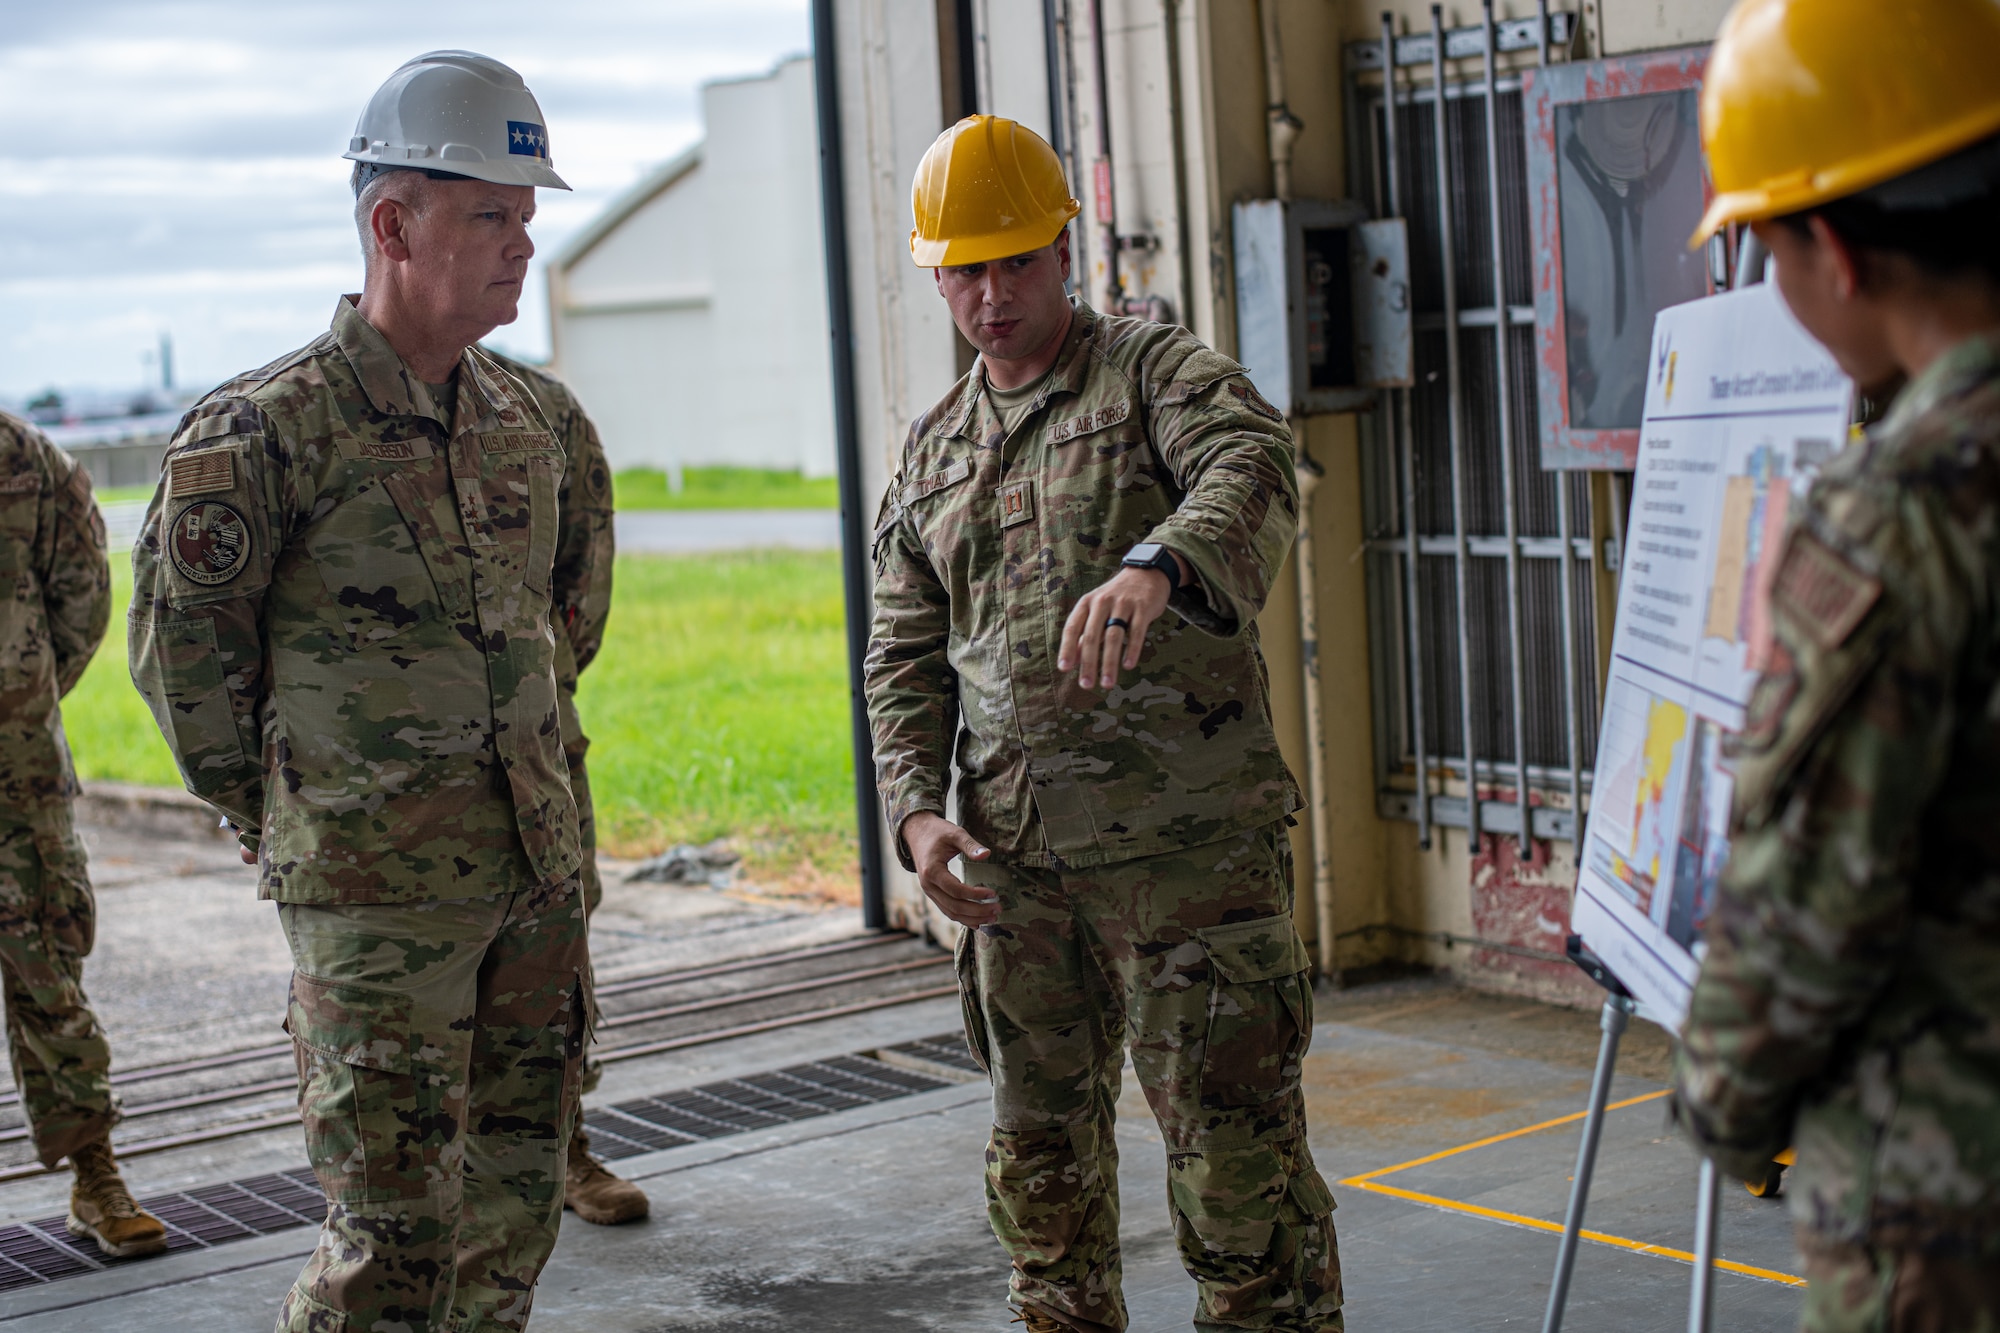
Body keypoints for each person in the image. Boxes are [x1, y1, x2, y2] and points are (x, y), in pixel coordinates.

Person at [129, 51, 592, 1329]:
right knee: (388, 1242)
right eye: (491, 214)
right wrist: (292, 817)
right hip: (376, 907)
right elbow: (187, 668)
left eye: (527, 215)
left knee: (514, 1205)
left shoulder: (528, 423)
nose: (523, 243)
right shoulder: (263, 434)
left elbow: (564, 622)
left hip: (536, 882)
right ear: (394, 223)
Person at [864, 114, 1341, 1333]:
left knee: (1240, 1185)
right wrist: (917, 815)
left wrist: (1159, 564)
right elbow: (903, 658)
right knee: (1042, 1187)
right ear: (934, 273)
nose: (989, 295)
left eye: (1013, 261)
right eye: (963, 269)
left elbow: (1252, 463)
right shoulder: (929, 456)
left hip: (1187, 868)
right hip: (1017, 881)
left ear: (1062, 247)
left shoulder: (1153, 376)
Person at [1671, 0, 2000, 1326]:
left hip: (1948, 1194)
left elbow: (1813, 891)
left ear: (1835, 249)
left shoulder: (1911, 501)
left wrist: (1726, 1105)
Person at [481, 350, 647, 1226]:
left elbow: (586, 568)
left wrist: (542, 688)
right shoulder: (310, 410)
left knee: (554, 959)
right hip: (380, 781)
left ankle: (564, 1147)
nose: (517, 244)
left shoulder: (540, 407)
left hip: (538, 742)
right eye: (487, 219)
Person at [0, 413, 167, 1259]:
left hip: (15, 776)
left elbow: (83, 596)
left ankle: (94, 1173)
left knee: (49, 967)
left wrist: (20, 697)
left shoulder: (25, 460)